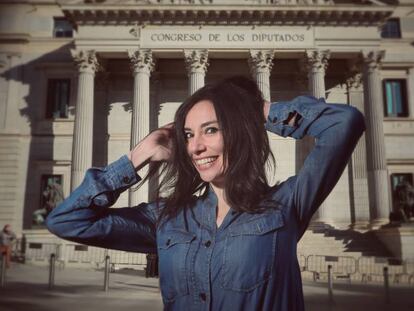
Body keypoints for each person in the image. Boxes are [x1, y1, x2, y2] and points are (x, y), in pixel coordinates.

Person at [46, 76, 365, 310]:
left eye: (211, 129)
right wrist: (139, 154)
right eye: (187, 134)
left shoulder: (285, 205)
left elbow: (344, 122)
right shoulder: (168, 218)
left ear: (238, 131)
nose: (196, 146)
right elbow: (67, 220)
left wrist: (255, 110)